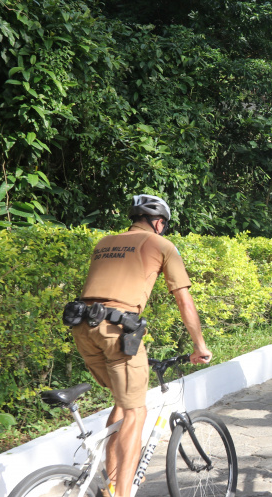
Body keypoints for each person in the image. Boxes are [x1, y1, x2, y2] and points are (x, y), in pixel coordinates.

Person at [70, 195, 211, 497]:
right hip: (117, 330)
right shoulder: (162, 245)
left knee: (123, 402)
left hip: (82, 326)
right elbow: (184, 300)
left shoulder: (105, 242)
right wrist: (199, 345)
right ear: (159, 223)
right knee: (137, 411)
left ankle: (111, 483)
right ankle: (120, 493)